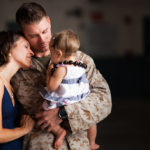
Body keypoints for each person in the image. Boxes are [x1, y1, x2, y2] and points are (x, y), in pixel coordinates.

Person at [11, 2, 112, 150]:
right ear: (23, 32)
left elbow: (104, 100)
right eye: (33, 36)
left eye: (45, 31)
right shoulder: (15, 66)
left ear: (49, 22)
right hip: (41, 144)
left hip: (79, 143)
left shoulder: (79, 60)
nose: (43, 40)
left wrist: (64, 113)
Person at [40, 29, 99, 150]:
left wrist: (49, 72)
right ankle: (92, 143)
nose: (50, 56)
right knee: (91, 123)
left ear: (59, 53)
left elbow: (51, 87)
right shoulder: (80, 63)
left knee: (42, 114)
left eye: (51, 53)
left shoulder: (61, 69)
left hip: (65, 101)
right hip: (80, 100)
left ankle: (60, 132)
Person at [0, 31, 34, 150]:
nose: (31, 52)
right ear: (9, 49)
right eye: (26, 46)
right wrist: (24, 129)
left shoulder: (11, 85)